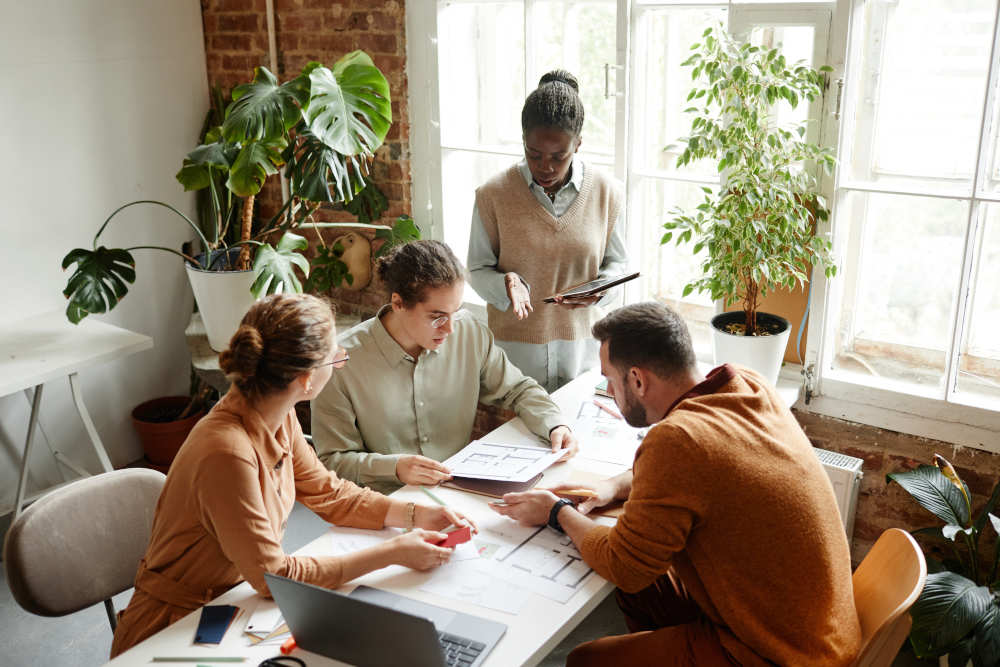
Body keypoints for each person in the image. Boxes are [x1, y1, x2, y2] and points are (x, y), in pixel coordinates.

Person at [490, 303, 862, 666]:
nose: (609, 388)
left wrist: (557, 513)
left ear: (637, 379)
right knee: (645, 593)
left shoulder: (677, 439)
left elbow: (624, 565)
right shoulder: (746, 385)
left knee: (586, 658)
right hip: (820, 627)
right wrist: (613, 486)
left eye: (609, 378)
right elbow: (701, 472)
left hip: (778, 652)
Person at [110, 294, 472, 657]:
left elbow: (330, 494)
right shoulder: (227, 452)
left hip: (236, 605)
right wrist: (390, 553)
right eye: (336, 356)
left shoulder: (276, 413)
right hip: (175, 633)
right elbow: (274, 577)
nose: (341, 364)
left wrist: (415, 515)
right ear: (306, 379)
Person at [311, 240, 577, 495]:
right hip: (385, 503)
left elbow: (518, 390)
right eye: (437, 317)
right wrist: (395, 468)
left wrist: (554, 425)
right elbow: (334, 459)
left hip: (459, 490)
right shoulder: (340, 363)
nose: (450, 329)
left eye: (455, 312)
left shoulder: (469, 332)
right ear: (398, 303)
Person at [467, 69, 627, 392]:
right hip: (513, 364)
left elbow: (618, 268)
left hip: (584, 359)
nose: (545, 166)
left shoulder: (607, 193)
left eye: (559, 156)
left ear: (578, 143)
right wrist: (505, 284)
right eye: (534, 153)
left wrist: (602, 289)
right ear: (523, 140)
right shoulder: (493, 195)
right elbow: (476, 270)